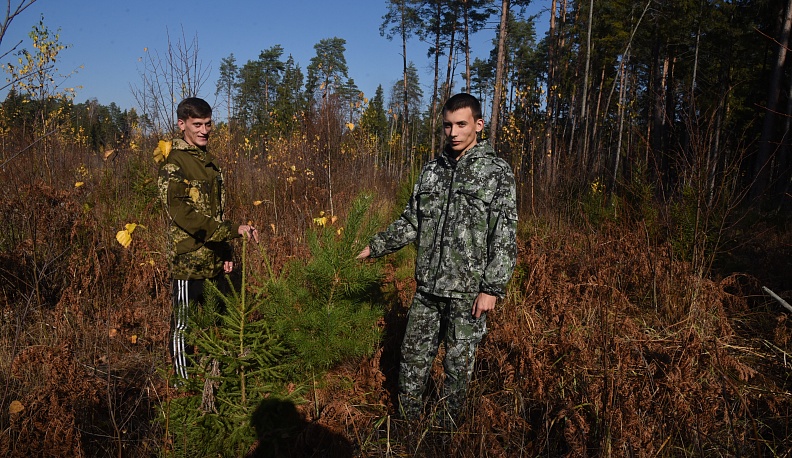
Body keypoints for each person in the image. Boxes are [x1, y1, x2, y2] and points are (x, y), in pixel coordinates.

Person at [357, 93, 517, 425]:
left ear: (478, 124)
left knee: (457, 368)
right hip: (428, 289)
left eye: (461, 124)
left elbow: (504, 234)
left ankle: (444, 434)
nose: (454, 132)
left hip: (468, 293)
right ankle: (408, 425)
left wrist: (492, 289)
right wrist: (375, 247)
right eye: (447, 125)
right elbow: (411, 221)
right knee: (413, 358)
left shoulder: (496, 172)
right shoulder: (432, 171)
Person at [158, 97, 259, 381]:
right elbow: (182, 214)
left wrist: (226, 252)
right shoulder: (174, 164)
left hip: (214, 261)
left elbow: (217, 212)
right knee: (183, 326)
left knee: (222, 321)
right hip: (188, 263)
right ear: (182, 125)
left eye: (208, 124)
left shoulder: (210, 164)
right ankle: (183, 383)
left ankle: (222, 379)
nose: (204, 130)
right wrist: (230, 231)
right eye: (197, 124)